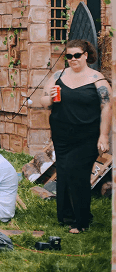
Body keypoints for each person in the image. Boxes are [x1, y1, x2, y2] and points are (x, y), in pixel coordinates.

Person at [38, 39, 112, 233]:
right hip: (62, 136)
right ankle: (67, 216)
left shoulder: (98, 80)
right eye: (69, 56)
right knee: (63, 173)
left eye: (77, 55)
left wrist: (103, 136)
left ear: (86, 55)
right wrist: (51, 98)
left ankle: (82, 221)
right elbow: (44, 102)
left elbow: (107, 107)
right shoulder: (58, 75)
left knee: (77, 174)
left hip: (86, 136)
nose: (72, 59)